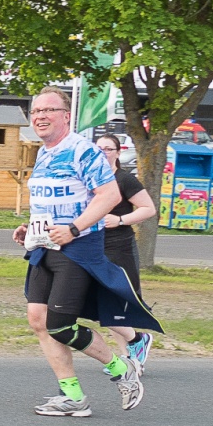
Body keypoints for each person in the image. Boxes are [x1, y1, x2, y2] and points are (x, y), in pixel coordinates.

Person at [12, 86, 161, 417]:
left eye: (48, 110)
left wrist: (75, 228)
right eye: (35, 111)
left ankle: (122, 371)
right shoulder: (45, 153)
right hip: (45, 245)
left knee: (61, 325)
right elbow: (52, 200)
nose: (40, 117)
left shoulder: (83, 151)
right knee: (39, 319)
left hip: (77, 248)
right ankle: (73, 397)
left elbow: (107, 195)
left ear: (66, 116)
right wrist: (30, 228)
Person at [95, 134, 157, 371]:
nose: (102, 153)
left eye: (108, 149)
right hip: (94, 247)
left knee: (117, 304)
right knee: (103, 305)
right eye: (98, 148)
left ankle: (132, 353)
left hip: (119, 247)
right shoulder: (91, 179)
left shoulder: (125, 180)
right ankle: (133, 350)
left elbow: (148, 209)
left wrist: (120, 220)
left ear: (118, 153)